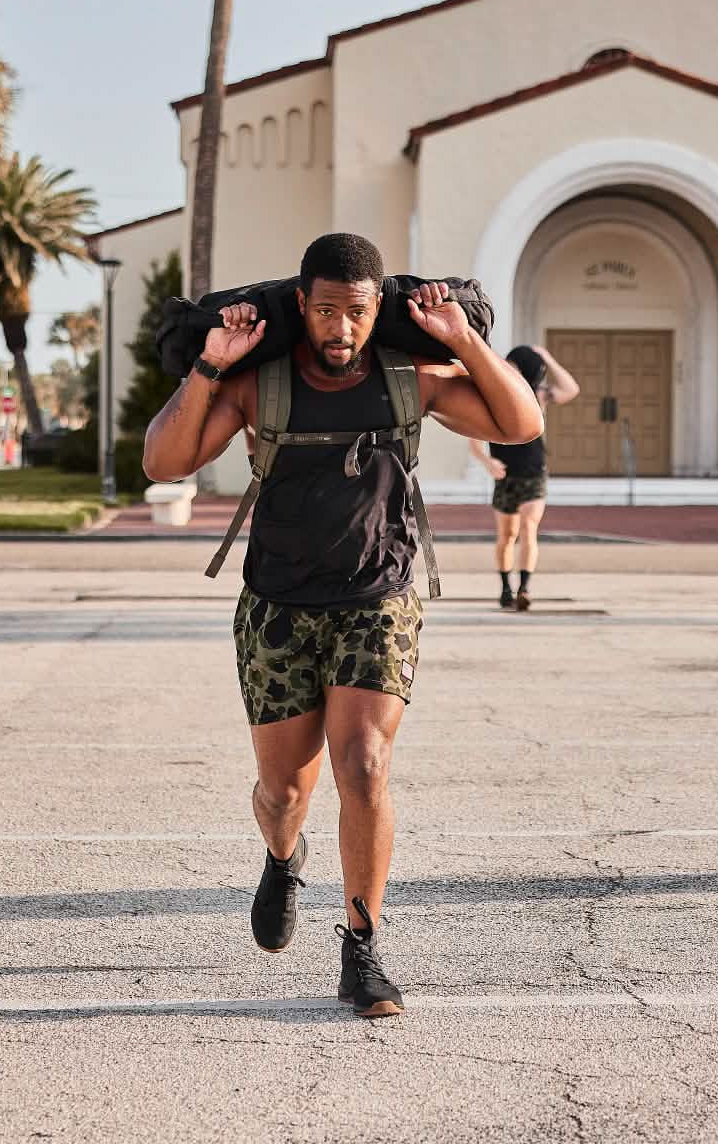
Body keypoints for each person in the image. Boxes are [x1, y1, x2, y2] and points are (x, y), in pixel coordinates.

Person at [142, 233, 543, 1017]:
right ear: (302, 305)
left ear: (374, 309)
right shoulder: (260, 383)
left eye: (356, 313)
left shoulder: (411, 377)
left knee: (362, 764)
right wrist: (211, 363)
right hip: (278, 605)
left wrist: (464, 343)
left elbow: (519, 426)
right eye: (325, 310)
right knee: (284, 789)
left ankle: (362, 949)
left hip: (378, 597)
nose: (340, 328)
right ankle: (283, 856)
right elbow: (165, 463)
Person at [468, 346, 579, 611]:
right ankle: (506, 587)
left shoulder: (539, 396)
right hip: (505, 474)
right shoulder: (492, 395)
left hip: (534, 472)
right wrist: (488, 462)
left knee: (529, 528)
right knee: (507, 535)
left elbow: (571, 389)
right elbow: (473, 439)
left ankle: (524, 588)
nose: (509, 367)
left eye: (514, 364)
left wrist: (549, 358)